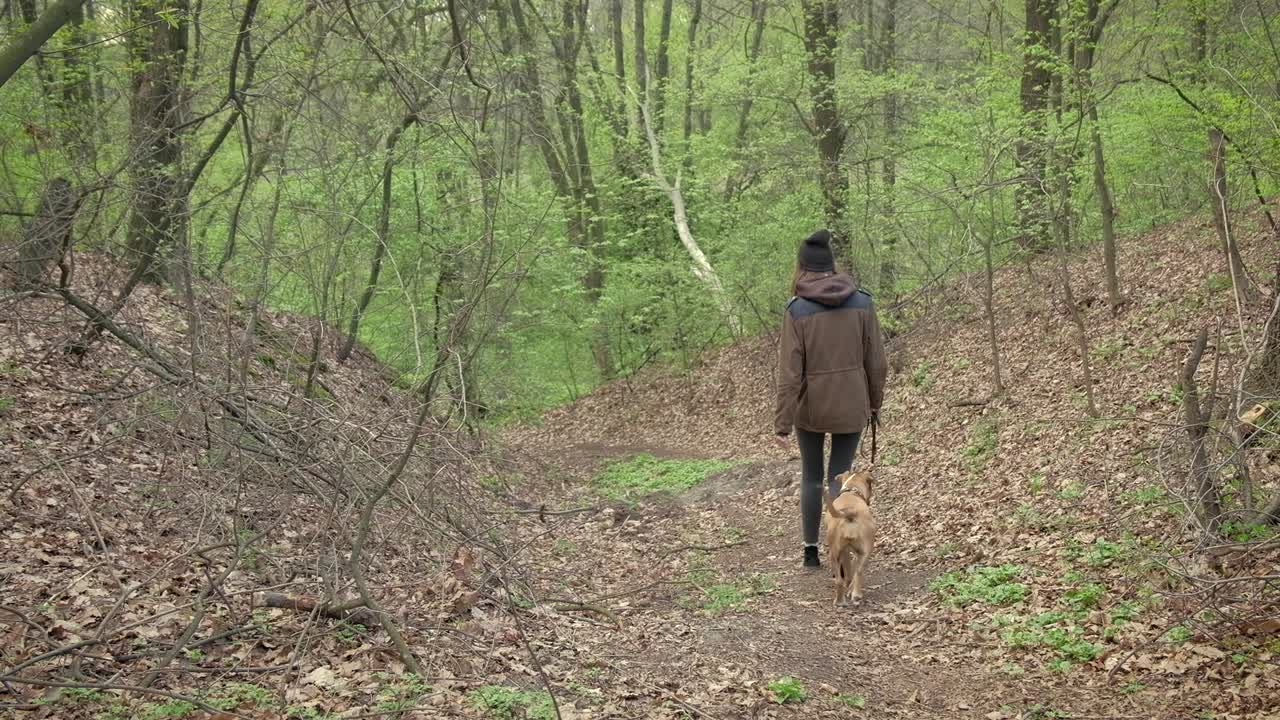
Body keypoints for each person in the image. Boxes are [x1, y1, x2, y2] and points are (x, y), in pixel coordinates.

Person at [774, 229, 888, 568]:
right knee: (840, 474)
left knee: (811, 476)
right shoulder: (863, 302)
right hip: (852, 402)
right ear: (832, 264)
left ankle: (810, 551)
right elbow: (877, 362)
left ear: (802, 267)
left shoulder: (797, 310)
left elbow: (790, 372)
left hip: (811, 407)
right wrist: (874, 402)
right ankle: (840, 548)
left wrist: (782, 422)